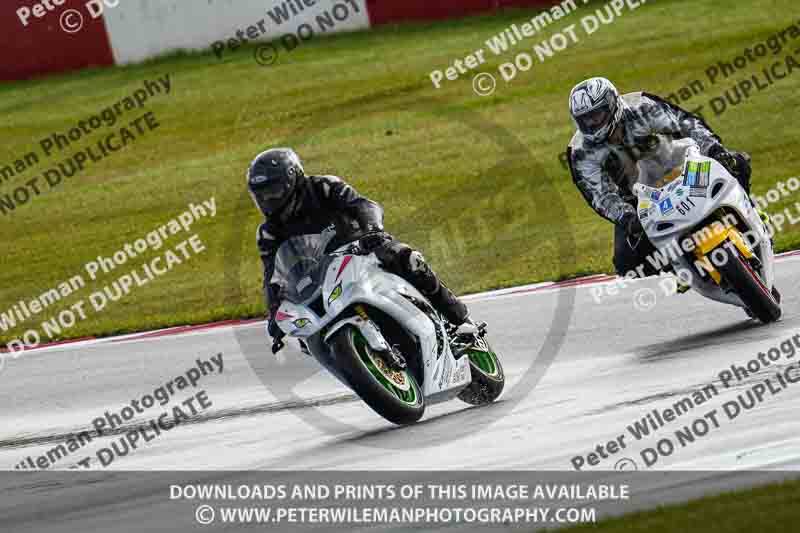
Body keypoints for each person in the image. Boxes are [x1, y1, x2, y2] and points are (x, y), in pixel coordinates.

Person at [247, 147, 480, 367]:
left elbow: (364, 205)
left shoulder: (323, 187)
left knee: (408, 259)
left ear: (293, 179)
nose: (267, 200)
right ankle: (362, 365)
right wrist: (274, 315)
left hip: (362, 249)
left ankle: (460, 318)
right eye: (261, 196)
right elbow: (272, 276)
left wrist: (372, 231)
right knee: (306, 336)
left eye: (273, 192)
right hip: (323, 277)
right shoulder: (268, 233)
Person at [566, 77, 758, 279]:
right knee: (627, 263)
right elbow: (600, 195)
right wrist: (627, 217)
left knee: (736, 164)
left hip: (686, 170)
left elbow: (687, 124)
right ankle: (681, 269)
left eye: (596, 115)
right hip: (642, 201)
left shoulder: (641, 107)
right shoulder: (580, 152)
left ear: (612, 104)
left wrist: (714, 150)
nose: (592, 123)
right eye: (585, 119)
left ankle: (750, 213)